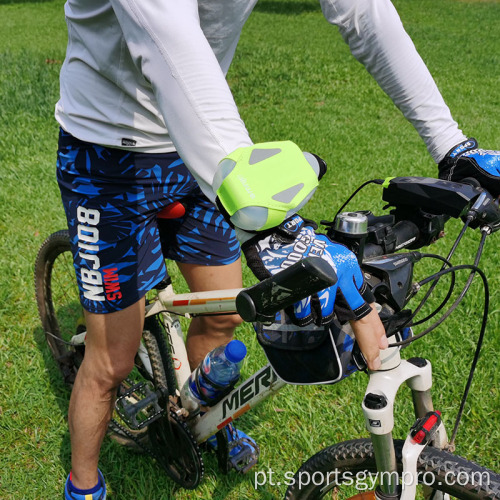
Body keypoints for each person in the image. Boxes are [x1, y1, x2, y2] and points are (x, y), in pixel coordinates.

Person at [54, 1, 498, 499]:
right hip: (106, 154)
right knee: (111, 361)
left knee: (223, 318)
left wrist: (452, 147)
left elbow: (364, 10)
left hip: (201, 150)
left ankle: (201, 419)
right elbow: (166, 34)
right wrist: (272, 226)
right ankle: (84, 484)